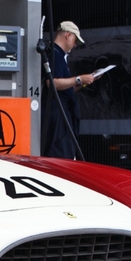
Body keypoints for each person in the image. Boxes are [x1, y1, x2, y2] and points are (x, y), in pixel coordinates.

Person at [42, 21, 98, 159]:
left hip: (62, 115)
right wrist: (79, 79)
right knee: (61, 156)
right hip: (58, 118)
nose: (74, 45)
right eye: (74, 40)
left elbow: (65, 89)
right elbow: (52, 83)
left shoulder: (59, 56)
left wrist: (85, 81)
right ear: (68, 35)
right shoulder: (54, 54)